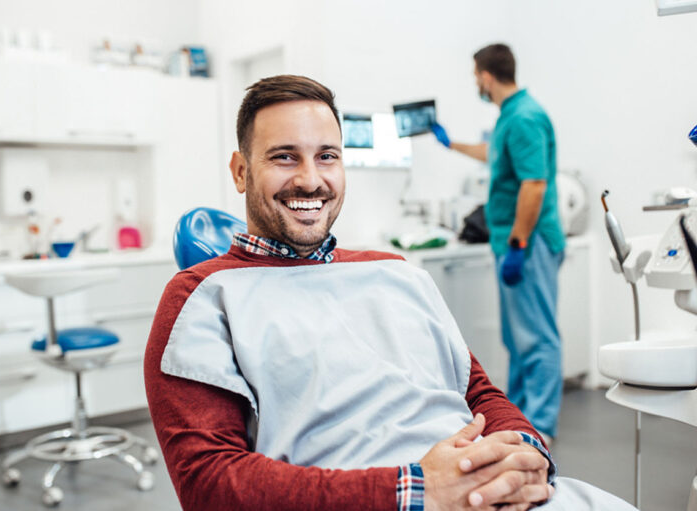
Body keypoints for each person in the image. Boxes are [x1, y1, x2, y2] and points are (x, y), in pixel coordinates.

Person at [145, 75, 634, 510]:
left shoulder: (398, 273)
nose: (311, 179)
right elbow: (208, 482)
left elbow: (476, 390)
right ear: (240, 171)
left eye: (327, 157)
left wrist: (526, 453)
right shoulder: (203, 296)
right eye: (284, 156)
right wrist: (419, 491)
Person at [431, 44, 565, 444]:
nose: (476, 82)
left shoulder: (524, 117)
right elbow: (493, 154)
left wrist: (520, 243)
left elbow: (534, 184)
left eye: (476, 75)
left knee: (538, 337)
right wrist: (451, 144)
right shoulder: (511, 116)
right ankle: (520, 416)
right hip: (513, 242)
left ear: (487, 76)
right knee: (518, 337)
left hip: (529, 242)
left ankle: (540, 425)